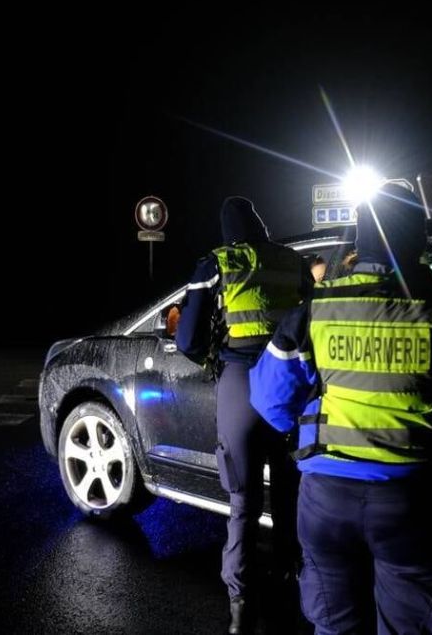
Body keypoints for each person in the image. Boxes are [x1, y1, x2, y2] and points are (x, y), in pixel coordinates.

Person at [250, 183, 432, 634]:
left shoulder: (316, 310)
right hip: (416, 499)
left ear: (359, 242)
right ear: (420, 243)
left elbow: (270, 401)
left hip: (327, 499)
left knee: (335, 624)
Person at [175, 196, 312, 634]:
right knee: (292, 495)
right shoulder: (292, 261)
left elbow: (189, 339)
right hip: (290, 383)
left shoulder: (216, 262)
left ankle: (241, 606)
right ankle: (293, 586)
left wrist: (212, 357)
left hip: (241, 381)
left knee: (243, 503)